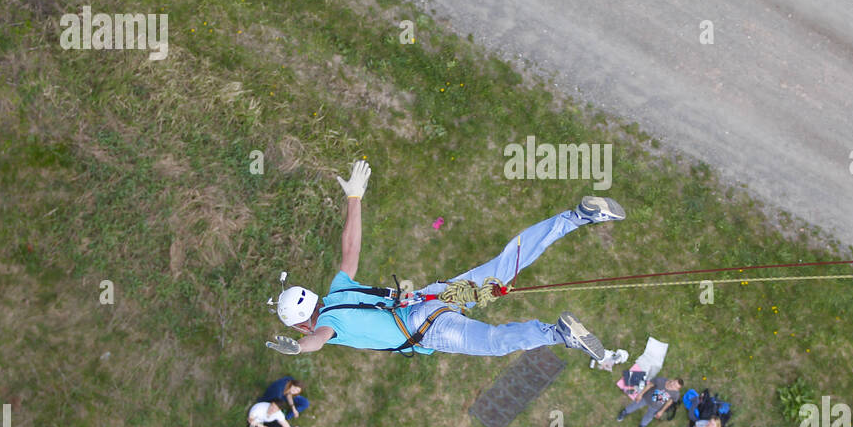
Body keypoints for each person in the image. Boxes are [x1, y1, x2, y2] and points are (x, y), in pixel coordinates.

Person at [265, 160, 622, 361]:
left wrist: (298, 347)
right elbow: (350, 247)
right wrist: (354, 198)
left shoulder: (327, 325)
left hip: (430, 328)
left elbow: (319, 339)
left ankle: (556, 333)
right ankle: (576, 217)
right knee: (504, 267)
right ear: (311, 296)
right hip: (431, 297)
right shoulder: (337, 289)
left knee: (495, 342)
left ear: (301, 325)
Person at [616, 377, 684, 427]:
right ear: (672, 379)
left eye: (675, 387)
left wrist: (661, 411)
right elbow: (649, 386)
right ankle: (625, 412)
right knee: (635, 405)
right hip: (646, 398)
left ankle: (642, 426)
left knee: (649, 416)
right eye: (674, 383)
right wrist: (640, 394)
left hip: (656, 407)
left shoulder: (675, 394)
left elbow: (670, 402)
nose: (673, 386)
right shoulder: (660, 381)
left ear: (677, 389)